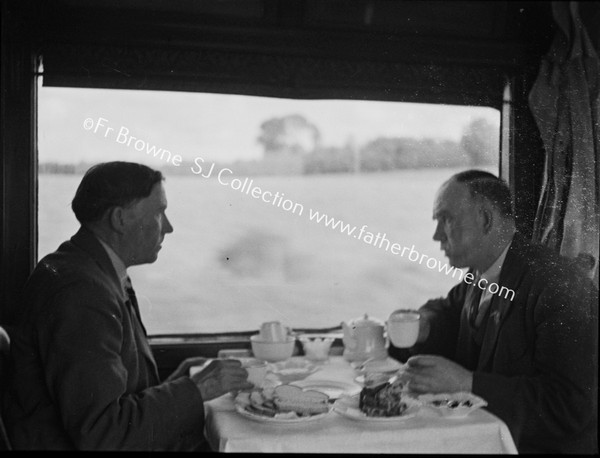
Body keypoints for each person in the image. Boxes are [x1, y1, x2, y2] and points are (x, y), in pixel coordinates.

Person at [4, 162, 253, 451]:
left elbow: (119, 396)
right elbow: (103, 434)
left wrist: (184, 378)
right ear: (120, 219)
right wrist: (195, 390)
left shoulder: (90, 268)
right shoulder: (81, 293)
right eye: (159, 212)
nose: (169, 227)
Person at [388, 170, 598, 454]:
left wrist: (468, 383)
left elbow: (570, 407)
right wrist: (423, 325)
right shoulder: (478, 278)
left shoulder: (557, 284)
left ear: (485, 219)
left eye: (446, 220)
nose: (437, 236)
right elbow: (446, 313)